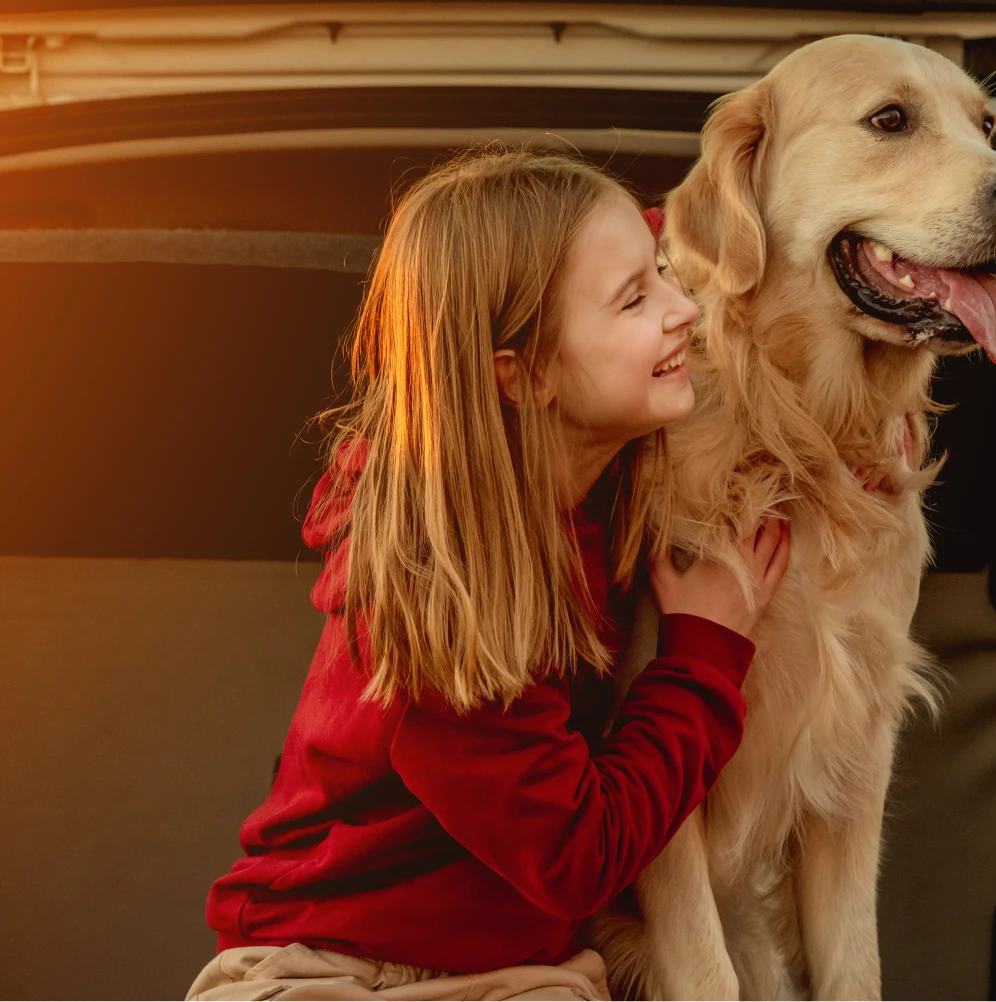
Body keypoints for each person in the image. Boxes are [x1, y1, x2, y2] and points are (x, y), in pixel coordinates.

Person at [187, 149, 790, 1002]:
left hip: (521, 977)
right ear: (525, 374)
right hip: (326, 973)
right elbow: (575, 855)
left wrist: (870, 439)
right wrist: (702, 657)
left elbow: (686, 259)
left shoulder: (586, 468)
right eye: (636, 298)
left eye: (664, 274)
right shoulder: (446, 589)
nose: (685, 310)